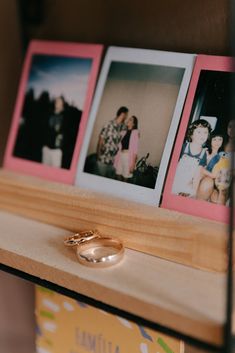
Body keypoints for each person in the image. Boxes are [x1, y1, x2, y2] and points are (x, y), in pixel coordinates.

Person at [172, 119, 212, 197]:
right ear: (191, 134)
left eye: (205, 132)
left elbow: (197, 176)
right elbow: (172, 167)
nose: (202, 135)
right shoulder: (183, 147)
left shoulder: (203, 154)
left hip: (187, 185)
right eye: (199, 132)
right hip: (174, 181)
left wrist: (194, 192)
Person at [96, 106, 129, 178]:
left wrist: (136, 132)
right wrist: (98, 156)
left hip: (114, 163)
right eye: (126, 115)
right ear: (123, 114)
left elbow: (129, 134)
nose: (126, 117)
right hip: (103, 160)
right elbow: (100, 140)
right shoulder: (108, 124)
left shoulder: (123, 127)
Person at [42, 96, 65, 168]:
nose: (57, 102)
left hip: (56, 151)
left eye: (59, 101)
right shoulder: (49, 114)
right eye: (56, 101)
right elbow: (43, 129)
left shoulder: (66, 117)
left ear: (62, 104)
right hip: (46, 149)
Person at [114, 115, 139, 181]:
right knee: (118, 174)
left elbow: (135, 150)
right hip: (120, 155)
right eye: (128, 119)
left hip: (128, 156)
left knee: (126, 176)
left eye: (130, 119)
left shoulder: (135, 133)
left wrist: (133, 164)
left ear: (133, 124)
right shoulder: (123, 132)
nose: (128, 120)